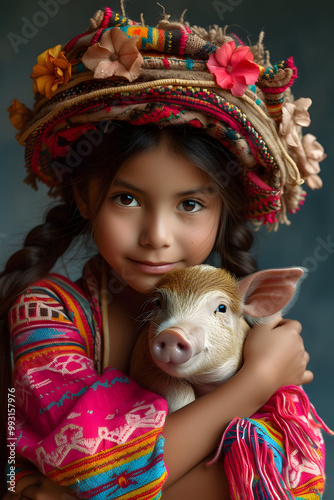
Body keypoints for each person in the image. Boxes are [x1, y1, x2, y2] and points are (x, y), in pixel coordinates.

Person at [1, 3, 328, 499]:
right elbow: (93, 467)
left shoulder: (244, 327)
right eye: (127, 198)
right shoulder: (45, 313)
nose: (157, 235)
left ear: (224, 213)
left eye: (190, 204)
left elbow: (288, 475)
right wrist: (255, 381)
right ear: (88, 197)